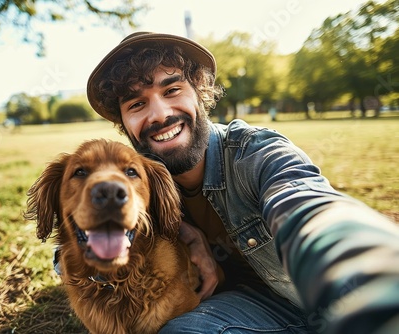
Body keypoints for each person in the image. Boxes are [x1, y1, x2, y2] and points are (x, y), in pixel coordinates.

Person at [59, 32, 399, 333]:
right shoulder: (145, 183)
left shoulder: (256, 153)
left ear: (200, 93)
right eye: (137, 104)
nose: (160, 114)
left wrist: (371, 272)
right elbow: (71, 248)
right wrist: (181, 230)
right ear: (125, 125)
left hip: (322, 305)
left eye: (172, 89)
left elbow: (307, 205)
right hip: (250, 307)